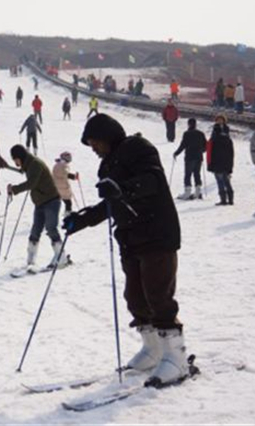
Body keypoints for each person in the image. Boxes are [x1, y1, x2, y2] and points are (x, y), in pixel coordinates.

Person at [63, 113, 187, 387]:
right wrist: (81, 220)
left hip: (156, 232)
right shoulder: (107, 166)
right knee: (135, 297)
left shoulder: (138, 148)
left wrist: (122, 188)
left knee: (158, 294)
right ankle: (153, 350)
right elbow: (111, 204)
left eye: (95, 142)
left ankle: (176, 358)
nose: (93, 148)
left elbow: (152, 181)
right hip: (131, 238)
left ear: (107, 136)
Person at [7, 145, 69, 270]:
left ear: (20, 157)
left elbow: (32, 183)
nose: (15, 162)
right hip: (40, 202)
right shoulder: (28, 164)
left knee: (51, 228)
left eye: (15, 159)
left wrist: (15, 189)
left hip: (51, 200)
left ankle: (61, 257)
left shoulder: (34, 164)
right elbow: (27, 176)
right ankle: (31, 260)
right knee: (35, 230)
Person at [173, 118, 207, 200]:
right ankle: (198, 192)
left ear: (188, 124)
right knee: (197, 174)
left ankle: (187, 192)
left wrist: (176, 153)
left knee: (188, 174)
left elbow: (183, 145)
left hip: (190, 157)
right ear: (195, 124)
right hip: (199, 157)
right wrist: (201, 151)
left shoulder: (187, 134)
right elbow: (205, 146)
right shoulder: (201, 133)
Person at [207, 125, 234, 206]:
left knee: (220, 182)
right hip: (226, 164)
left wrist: (210, 166)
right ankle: (231, 199)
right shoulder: (228, 139)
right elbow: (231, 153)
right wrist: (230, 165)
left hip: (217, 165)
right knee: (227, 181)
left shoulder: (213, 140)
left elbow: (209, 154)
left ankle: (223, 200)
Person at [52, 151, 78, 216]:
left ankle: (54, 215)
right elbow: (65, 174)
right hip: (63, 187)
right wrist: (74, 176)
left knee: (59, 201)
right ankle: (67, 215)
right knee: (68, 202)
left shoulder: (57, 164)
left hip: (56, 186)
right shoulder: (63, 165)